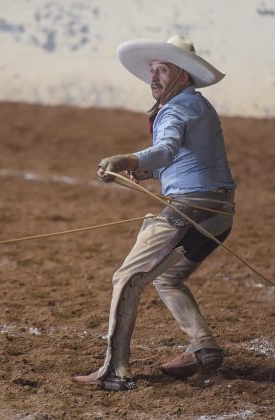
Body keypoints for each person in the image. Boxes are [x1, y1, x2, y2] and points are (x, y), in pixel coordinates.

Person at [74, 35, 236, 391]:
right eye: (152, 70)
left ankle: (115, 370)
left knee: (127, 277)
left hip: (192, 211)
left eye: (163, 69)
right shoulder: (198, 106)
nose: (154, 77)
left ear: (183, 75)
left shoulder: (176, 109)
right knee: (167, 278)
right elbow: (185, 160)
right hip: (219, 213)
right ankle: (203, 345)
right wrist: (147, 172)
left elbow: (164, 150)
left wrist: (128, 160)